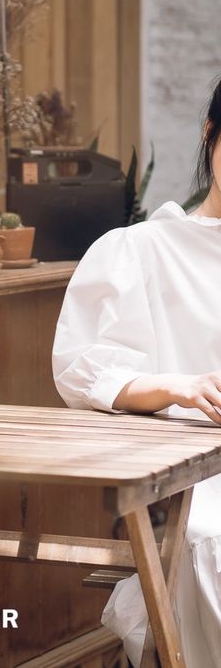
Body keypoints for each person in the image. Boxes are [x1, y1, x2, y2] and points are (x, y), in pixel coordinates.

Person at [52, 79, 221, 667]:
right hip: (199, 480)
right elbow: (82, 369)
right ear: (211, 134)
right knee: (210, 546)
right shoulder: (144, 250)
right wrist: (181, 386)